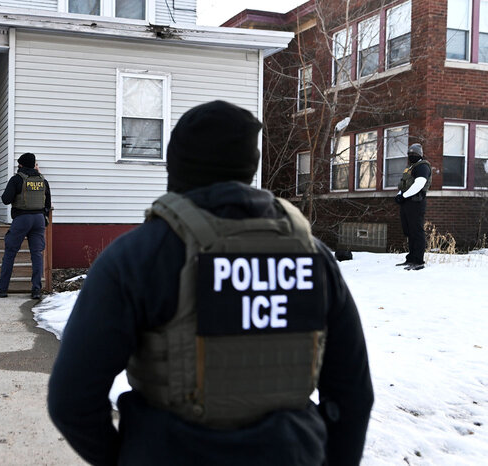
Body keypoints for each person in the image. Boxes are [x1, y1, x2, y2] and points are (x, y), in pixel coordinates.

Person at [48, 101, 373, 465]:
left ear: (176, 164)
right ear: (250, 166)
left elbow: (71, 399)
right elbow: (352, 395)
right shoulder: (313, 256)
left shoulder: (136, 257)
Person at [0, 152, 51, 300]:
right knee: (36, 254)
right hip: (39, 220)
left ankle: (2, 289)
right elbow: (47, 204)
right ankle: (36, 290)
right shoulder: (43, 181)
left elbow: (5, 199)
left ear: (21, 165)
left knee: (10, 254)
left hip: (22, 219)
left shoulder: (17, 179)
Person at [394, 143, 432, 270]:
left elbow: (419, 184)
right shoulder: (410, 167)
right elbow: (404, 184)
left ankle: (418, 260)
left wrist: (404, 196)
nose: (411, 156)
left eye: (414, 154)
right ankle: (411, 258)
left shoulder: (422, 167)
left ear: (420, 155)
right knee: (409, 231)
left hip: (416, 202)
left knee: (416, 231)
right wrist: (400, 195)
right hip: (407, 202)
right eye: (410, 154)